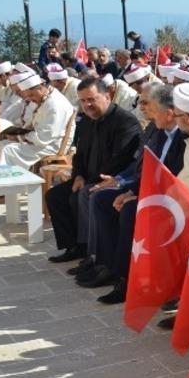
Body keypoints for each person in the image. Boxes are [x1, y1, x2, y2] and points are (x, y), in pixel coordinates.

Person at [88, 83, 188, 304]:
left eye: (151, 107)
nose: (147, 112)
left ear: (169, 113)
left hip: (171, 199)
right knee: (102, 199)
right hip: (149, 190)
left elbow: (175, 179)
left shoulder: (184, 137)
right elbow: (148, 171)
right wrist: (130, 190)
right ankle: (108, 266)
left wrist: (138, 197)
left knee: (130, 209)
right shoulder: (159, 132)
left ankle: (126, 279)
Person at [45, 76, 143, 278]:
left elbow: (120, 160)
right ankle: (74, 247)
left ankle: (93, 254)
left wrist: (90, 181)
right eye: (83, 101)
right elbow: (79, 154)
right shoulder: (87, 121)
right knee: (55, 195)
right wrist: (78, 175)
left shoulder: (125, 121)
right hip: (88, 176)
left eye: (92, 99)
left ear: (107, 96)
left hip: (114, 179)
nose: (87, 105)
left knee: (85, 195)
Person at [0, 74, 75, 170]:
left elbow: (44, 138)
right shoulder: (44, 97)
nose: (31, 99)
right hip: (41, 141)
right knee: (1, 144)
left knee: (8, 150)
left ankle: (12, 178)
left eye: (31, 95)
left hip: (52, 145)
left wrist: (19, 137)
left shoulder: (54, 105)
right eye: (28, 96)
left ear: (40, 88)